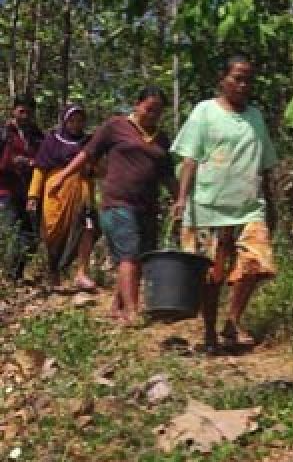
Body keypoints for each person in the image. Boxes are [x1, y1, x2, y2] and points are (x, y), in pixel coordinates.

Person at [172, 55, 279, 355]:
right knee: (211, 275)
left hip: (248, 206)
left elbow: (265, 165)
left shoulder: (255, 117)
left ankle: (232, 321)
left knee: (255, 262)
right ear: (223, 79)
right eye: (237, 78)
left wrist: (271, 203)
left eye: (248, 80)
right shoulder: (204, 112)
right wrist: (181, 199)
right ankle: (209, 331)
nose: (243, 85)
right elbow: (190, 158)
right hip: (208, 205)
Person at [52, 86, 178, 323]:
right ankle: (132, 311)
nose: (153, 115)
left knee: (140, 256)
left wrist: (180, 200)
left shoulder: (161, 139)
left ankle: (118, 306)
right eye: (149, 109)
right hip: (118, 203)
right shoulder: (115, 126)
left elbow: (168, 175)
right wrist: (63, 176)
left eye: (158, 112)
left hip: (148, 206)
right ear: (137, 105)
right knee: (128, 254)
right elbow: (88, 154)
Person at [27, 104, 98, 291]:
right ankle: (54, 273)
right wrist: (33, 195)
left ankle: (82, 272)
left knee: (87, 227)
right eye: (72, 120)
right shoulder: (52, 141)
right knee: (53, 232)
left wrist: (92, 168)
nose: (76, 124)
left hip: (82, 190)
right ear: (65, 121)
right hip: (56, 191)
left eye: (80, 120)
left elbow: (101, 168)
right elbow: (40, 169)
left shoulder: (90, 142)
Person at [0, 95, 44, 283]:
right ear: (14, 110)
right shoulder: (3, 132)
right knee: (12, 234)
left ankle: (17, 273)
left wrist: (32, 163)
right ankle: (10, 277)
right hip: (5, 191)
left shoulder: (36, 135)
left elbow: (44, 158)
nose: (25, 115)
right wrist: (11, 163)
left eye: (29, 111)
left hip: (29, 193)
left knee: (31, 237)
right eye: (21, 110)